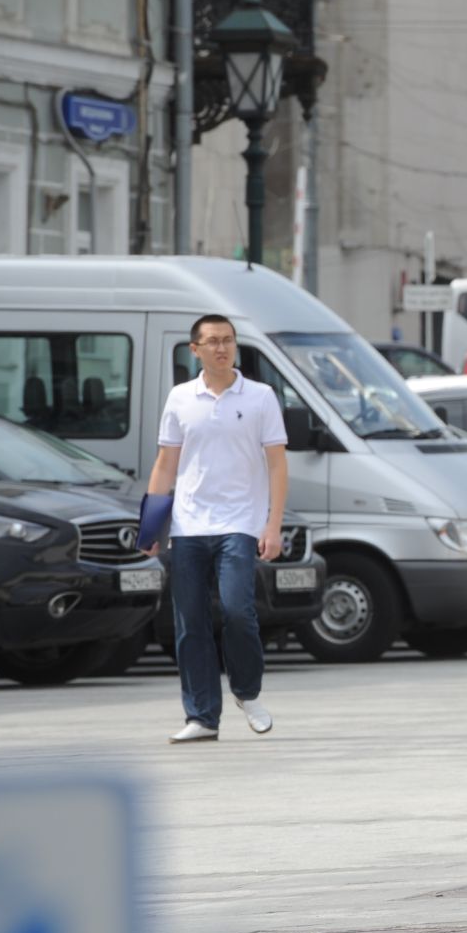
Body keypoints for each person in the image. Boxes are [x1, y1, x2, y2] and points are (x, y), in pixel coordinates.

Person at [146, 314, 288, 744]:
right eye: (212, 342)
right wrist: (150, 527)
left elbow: (278, 463)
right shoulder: (180, 398)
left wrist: (273, 524)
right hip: (189, 525)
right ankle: (202, 716)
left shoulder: (261, 397)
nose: (221, 348)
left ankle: (247, 691)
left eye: (228, 340)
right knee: (189, 624)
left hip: (240, 524)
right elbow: (165, 463)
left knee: (237, 611)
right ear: (195, 350)